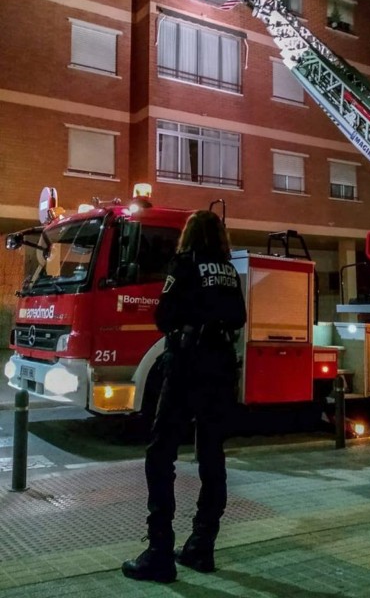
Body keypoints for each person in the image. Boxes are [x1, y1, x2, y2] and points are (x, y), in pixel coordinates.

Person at [122, 210, 247, 584]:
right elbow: (239, 316)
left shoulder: (185, 263)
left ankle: (159, 552)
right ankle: (201, 546)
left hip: (188, 364)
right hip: (221, 367)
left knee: (161, 453)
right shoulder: (227, 270)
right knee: (211, 454)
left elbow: (164, 315)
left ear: (188, 235)